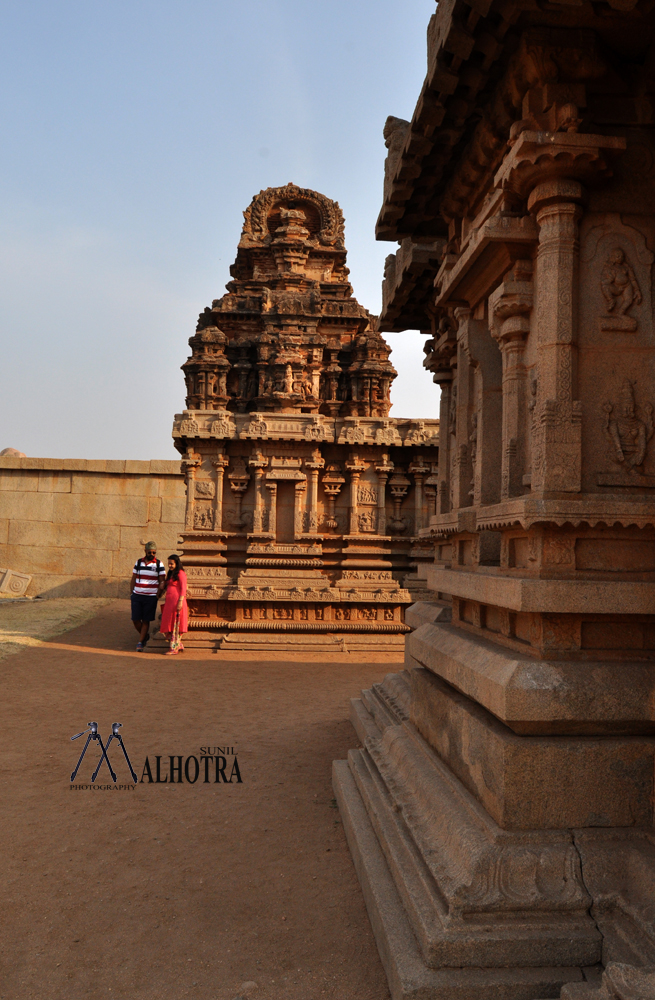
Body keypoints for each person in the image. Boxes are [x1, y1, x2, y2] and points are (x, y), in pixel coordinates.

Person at [130, 542, 166, 652]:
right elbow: (133, 578)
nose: (152, 554)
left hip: (150, 596)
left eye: (154, 552)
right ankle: (145, 636)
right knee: (135, 619)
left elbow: (162, 581)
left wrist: (158, 595)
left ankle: (140, 642)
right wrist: (132, 593)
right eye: (150, 552)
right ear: (145, 551)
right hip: (137, 594)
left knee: (146, 620)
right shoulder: (139, 562)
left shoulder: (159, 564)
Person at [160, 554, 188, 655]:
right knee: (170, 623)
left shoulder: (181, 573)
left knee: (176, 623)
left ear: (177, 563)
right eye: (169, 564)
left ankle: (174, 648)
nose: (170, 566)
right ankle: (178, 644)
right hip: (170, 603)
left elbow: (183, 588)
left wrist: (180, 601)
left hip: (177, 602)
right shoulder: (171, 574)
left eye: (172, 564)